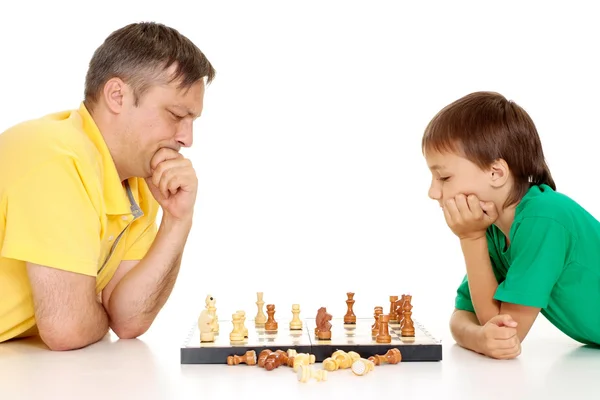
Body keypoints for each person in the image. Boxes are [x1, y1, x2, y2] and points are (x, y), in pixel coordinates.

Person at [0, 22, 215, 350]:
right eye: (175, 115)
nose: (187, 138)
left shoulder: (138, 183)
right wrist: (99, 311)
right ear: (117, 95)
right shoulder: (57, 158)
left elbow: (129, 320)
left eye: (192, 121)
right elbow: (68, 328)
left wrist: (177, 221)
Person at [422, 91, 600, 360]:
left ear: (496, 173)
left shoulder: (543, 219)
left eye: (444, 177)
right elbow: (463, 316)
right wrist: (480, 338)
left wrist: (470, 239)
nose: (433, 192)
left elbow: (506, 331)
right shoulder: (494, 230)